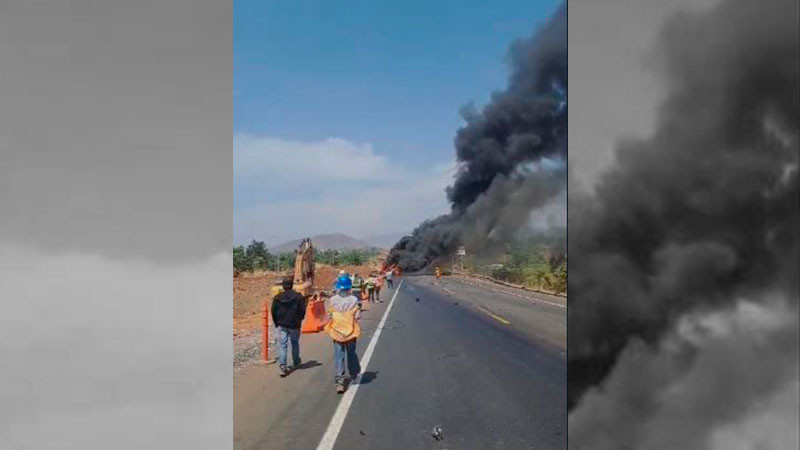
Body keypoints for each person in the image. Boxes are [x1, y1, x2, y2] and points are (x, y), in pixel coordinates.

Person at [325, 276, 362, 393]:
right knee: (351, 354)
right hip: (351, 332)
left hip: (337, 332)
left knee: (339, 356)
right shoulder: (354, 300)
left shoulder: (332, 300)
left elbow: (329, 315)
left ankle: (340, 383)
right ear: (349, 287)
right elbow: (357, 316)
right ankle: (354, 374)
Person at [271, 277, 307, 377]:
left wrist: (276, 322)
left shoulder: (277, 298)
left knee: (283, 345)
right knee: (295, 343)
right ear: (292, 285)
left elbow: (273, 311)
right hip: (295, 324)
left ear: (283, 286)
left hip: (282, 324)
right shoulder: (298, 297)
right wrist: (300, 319)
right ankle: (296, 362)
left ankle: (282, 366)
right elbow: (302, 310)